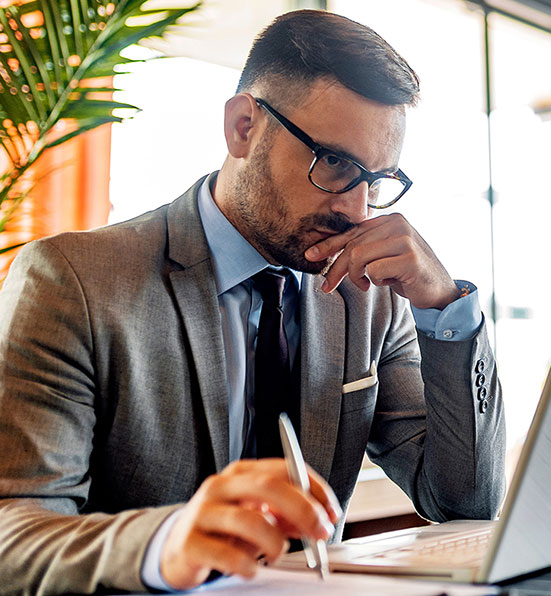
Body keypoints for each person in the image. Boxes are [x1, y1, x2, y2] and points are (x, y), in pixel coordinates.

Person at [0, 9, 505, 595]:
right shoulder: (72, 282)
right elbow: (13, 534)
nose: (357, 209)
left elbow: (465, 497)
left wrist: (443, 308)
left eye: (377, 178)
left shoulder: (370, 300)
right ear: (243, 126)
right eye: (336, 164)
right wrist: (166, 542)